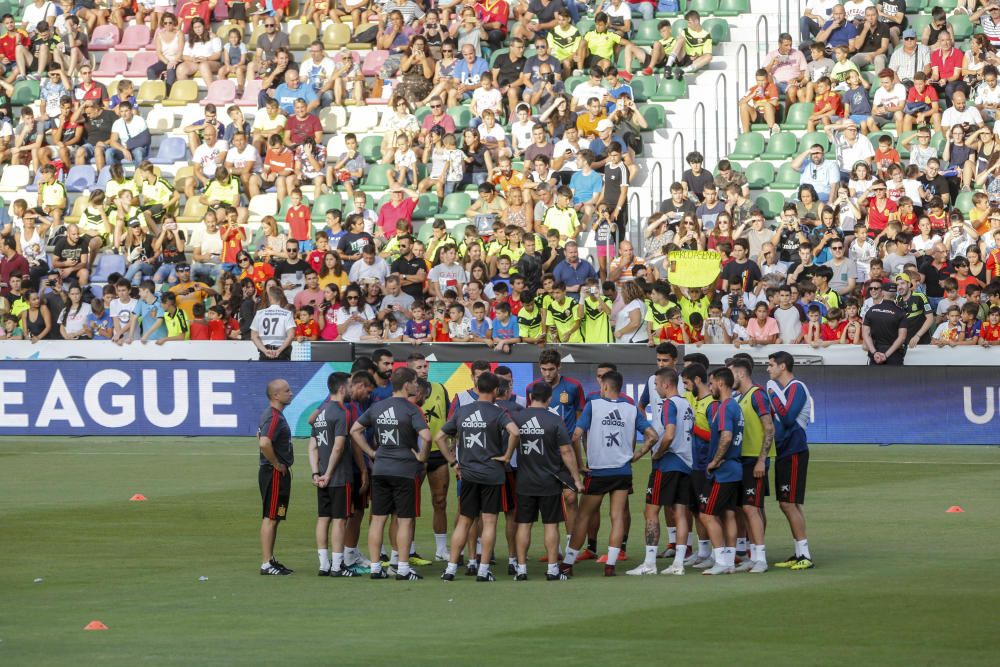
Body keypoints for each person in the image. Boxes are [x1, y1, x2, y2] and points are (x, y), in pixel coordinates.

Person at [560, 370, 657, 577]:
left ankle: (567, 564)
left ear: (604, 386)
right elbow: (653, 436)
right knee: (617, 516)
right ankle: (610, 565)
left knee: (583, 516)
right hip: (622, 471)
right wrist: (637, 455)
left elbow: (575, 436)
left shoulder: (593, 405)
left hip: (598, 470)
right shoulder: (631, 409)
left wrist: (578, 463)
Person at [436, 372, 519, 582]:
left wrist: (453, 462)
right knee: (489, 522)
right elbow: (515, 433)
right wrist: (507, 456)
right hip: (492, 473)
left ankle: (451, 569)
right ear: (495, 391)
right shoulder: (498, 412)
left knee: (464, 521)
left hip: (468, 474)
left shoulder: (463, 411)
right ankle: (483, 571)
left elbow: (439, 437)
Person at [350, 367, 431, 581]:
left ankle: (376, 567)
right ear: (406, 385)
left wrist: (371, 452)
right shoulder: (411, 409)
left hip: (381, 469)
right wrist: (422, 457)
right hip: (405, 470)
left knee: (378, 520)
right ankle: (402, 568)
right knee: (404, 520)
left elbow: (354, 430)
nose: (416, 385)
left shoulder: (378, 407)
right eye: (414, 381)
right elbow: (427, 436)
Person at [511, 381, 581, 581]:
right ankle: (552, 569)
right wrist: (576, 479)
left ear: (531, 397)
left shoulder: (517, 417)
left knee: (524, 525)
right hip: (549, 480)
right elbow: (566, 451)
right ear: (550, 398)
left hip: (524, 480)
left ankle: (522, 569)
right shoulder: (554, 419)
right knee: (551, 525)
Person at [627, 367, 694, 577]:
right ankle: (678, 564)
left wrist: (658, 454)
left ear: (666, 384)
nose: (655, 388)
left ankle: (649, 563)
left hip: (667, 464)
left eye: (656, 384)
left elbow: (669, 434)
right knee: (681, 513)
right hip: (686, 464)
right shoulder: (687, 404)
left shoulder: (668, 404)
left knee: (651, 511)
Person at [766, 351, 815, 571]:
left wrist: (772, 392)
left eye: (771, 365)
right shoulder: (784, 389)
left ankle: (804, 554)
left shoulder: (796, 387)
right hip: (784, 450)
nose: (768, 369)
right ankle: (799, 552)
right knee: (789, 502)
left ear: (782, 366)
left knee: (788, 503)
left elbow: (787, 418)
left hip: (795, 450)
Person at [727, 356, 774, 574]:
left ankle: (760, 558)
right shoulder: (741, 397)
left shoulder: (757, 395)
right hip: (743, 459)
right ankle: (750, 555)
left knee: (751, 507)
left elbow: (769, 428)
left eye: (730, 374)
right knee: (746, 508)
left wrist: (762, 460)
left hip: (755, 459)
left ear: (741, 373)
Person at [310, 373, 358, 577]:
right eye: (350, 386)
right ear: (341, 388)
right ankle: (338, 566)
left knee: (323, 518)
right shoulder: (341, 412)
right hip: (339, 476)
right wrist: (329, 473)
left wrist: (316, 473)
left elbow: (312, 446)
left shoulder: (320, 413)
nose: (352, 390)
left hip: (320, 476)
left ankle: (324, 564)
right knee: (339, 520)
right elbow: (338, 447)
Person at [258, 378, 295, 575]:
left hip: (275, 471)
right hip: (274, 472)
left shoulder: (272, 415)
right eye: (287, 390)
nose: (291, 393)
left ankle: (270, 559)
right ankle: (266, 563)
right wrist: (276, 463)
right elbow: (264, 442)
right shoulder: (274, 417)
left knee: (275, 517)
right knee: (270, 517)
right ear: (276, 395)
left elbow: (260, 437)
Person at [861, 279, 908, 365]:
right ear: (895, 294)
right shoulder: (901, 312)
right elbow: (902, 338)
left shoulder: (871, 310)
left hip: (876, 355)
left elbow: (865, 334)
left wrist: (874, 353)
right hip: (894, 355)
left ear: (882, 293)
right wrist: (885, 355)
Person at [250, 286, 295, 360]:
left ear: (269, 297)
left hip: (265, 352)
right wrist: (279, 350)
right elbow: (291, 335)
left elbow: (253, 336)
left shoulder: (260, 313)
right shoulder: (287, 314)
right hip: (282, 353)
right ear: (281, 297)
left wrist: (265, 351)